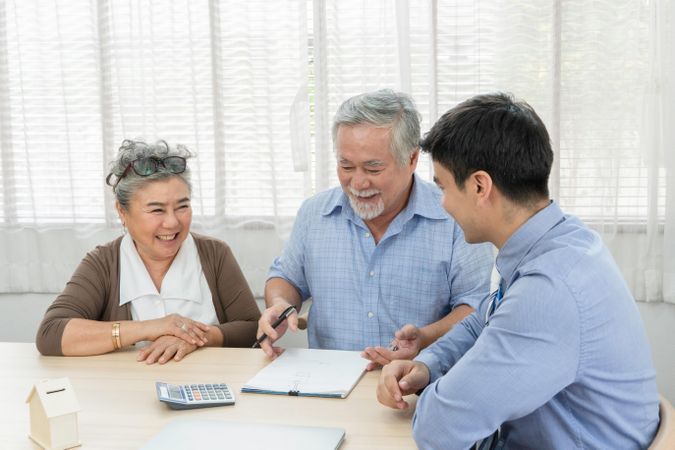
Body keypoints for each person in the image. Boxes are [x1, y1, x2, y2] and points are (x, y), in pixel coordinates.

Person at [376, 93, 659, 449]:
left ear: (480, 186)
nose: (443, 203)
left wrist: (442, 388)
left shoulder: (549, 290)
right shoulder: (560, 240)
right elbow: (485, 321)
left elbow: (439, 428)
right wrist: (430, 364)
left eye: (443, 187)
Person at [256, 89, 494, 368]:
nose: (357, 183)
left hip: (419, 384)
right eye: (346, 166)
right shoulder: (314, 213)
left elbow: (475, 308)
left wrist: (426, 337)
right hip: (327, 383)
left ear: (412, 159)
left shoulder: (454, 217)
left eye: (373, 169)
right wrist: (280, 304)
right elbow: (286, 278)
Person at [36, 139, 261, 364]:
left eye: (182, 206)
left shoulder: (215, 254)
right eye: (156, 210)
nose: (173, 223)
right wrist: (151, 328)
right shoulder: (103, 262)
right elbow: (51, 334)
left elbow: (253, 329)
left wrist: (196, 338)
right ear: (122, 212)